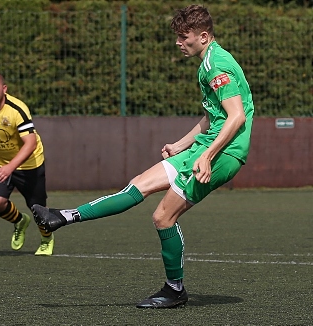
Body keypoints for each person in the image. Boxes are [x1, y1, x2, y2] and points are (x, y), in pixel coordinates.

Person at [32, 4, 254, 308]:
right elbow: (213, 116)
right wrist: (181, 145)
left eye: (183, 37)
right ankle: (63, 216)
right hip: (206, 147)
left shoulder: (218, 64)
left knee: (163, 218)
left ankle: (174, 290)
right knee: (137, 184)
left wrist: (207, 155)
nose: (178, 42)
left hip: (224, 153)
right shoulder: (207, 64)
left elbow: (236, 117)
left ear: (203, 36)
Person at [0, 73, 54, 256]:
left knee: (39, 210)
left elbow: (31, 143)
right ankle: (20, 220)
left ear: (4, 89)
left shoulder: (17, 109)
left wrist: (10, 167)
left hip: (30, 164)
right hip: (1, 163)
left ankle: (46, 239)